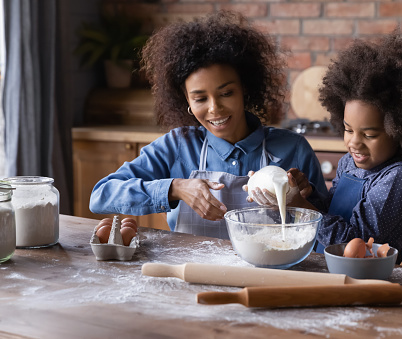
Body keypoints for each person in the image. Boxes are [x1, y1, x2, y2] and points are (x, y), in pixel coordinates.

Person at [89, 11, 327, 239]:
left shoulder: (293, 149)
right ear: (187, 101)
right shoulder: (176, 147)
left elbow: (327, 227)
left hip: (269, 276)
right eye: (201, 98)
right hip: (192, 275)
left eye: (226, 93)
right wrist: (175, 188)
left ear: (245, 89)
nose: (214, 108)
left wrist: (301, 200)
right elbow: (101, 195)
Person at [249, 31, 402, 263]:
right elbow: (334, 214)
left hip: (368, 283)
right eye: (348, 130)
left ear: (401, 130)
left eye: (369, 134)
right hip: (327, 271)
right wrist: (304, 193)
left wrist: (302, 208)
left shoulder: (398, 177)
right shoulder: (350, 163)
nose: (354, 143)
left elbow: (354, 244)